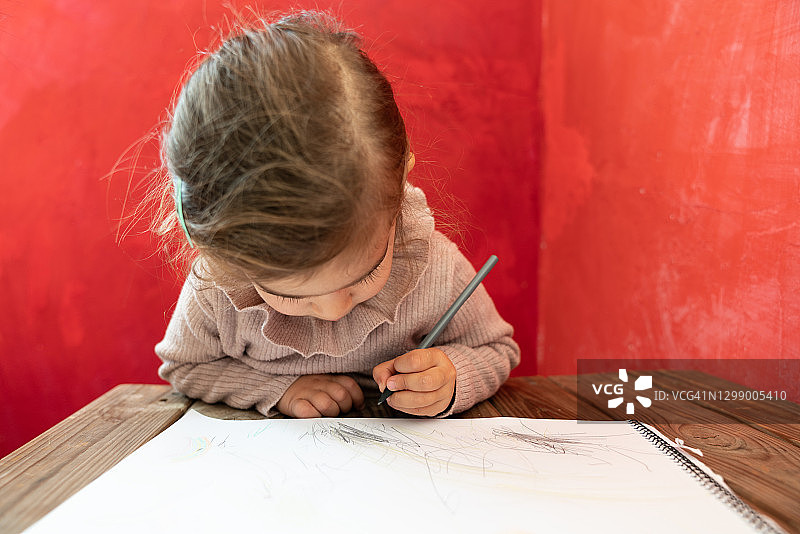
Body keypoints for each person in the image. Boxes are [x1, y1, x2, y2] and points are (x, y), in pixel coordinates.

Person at [153, 11, 519, 418]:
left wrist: (452, 377)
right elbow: (186, 367)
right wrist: (279, 390)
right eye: (293, 295)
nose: (334, 310)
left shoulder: (433, 266)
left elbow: (494, 348)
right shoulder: (221, 288)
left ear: (398, 189)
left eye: (362, 278)